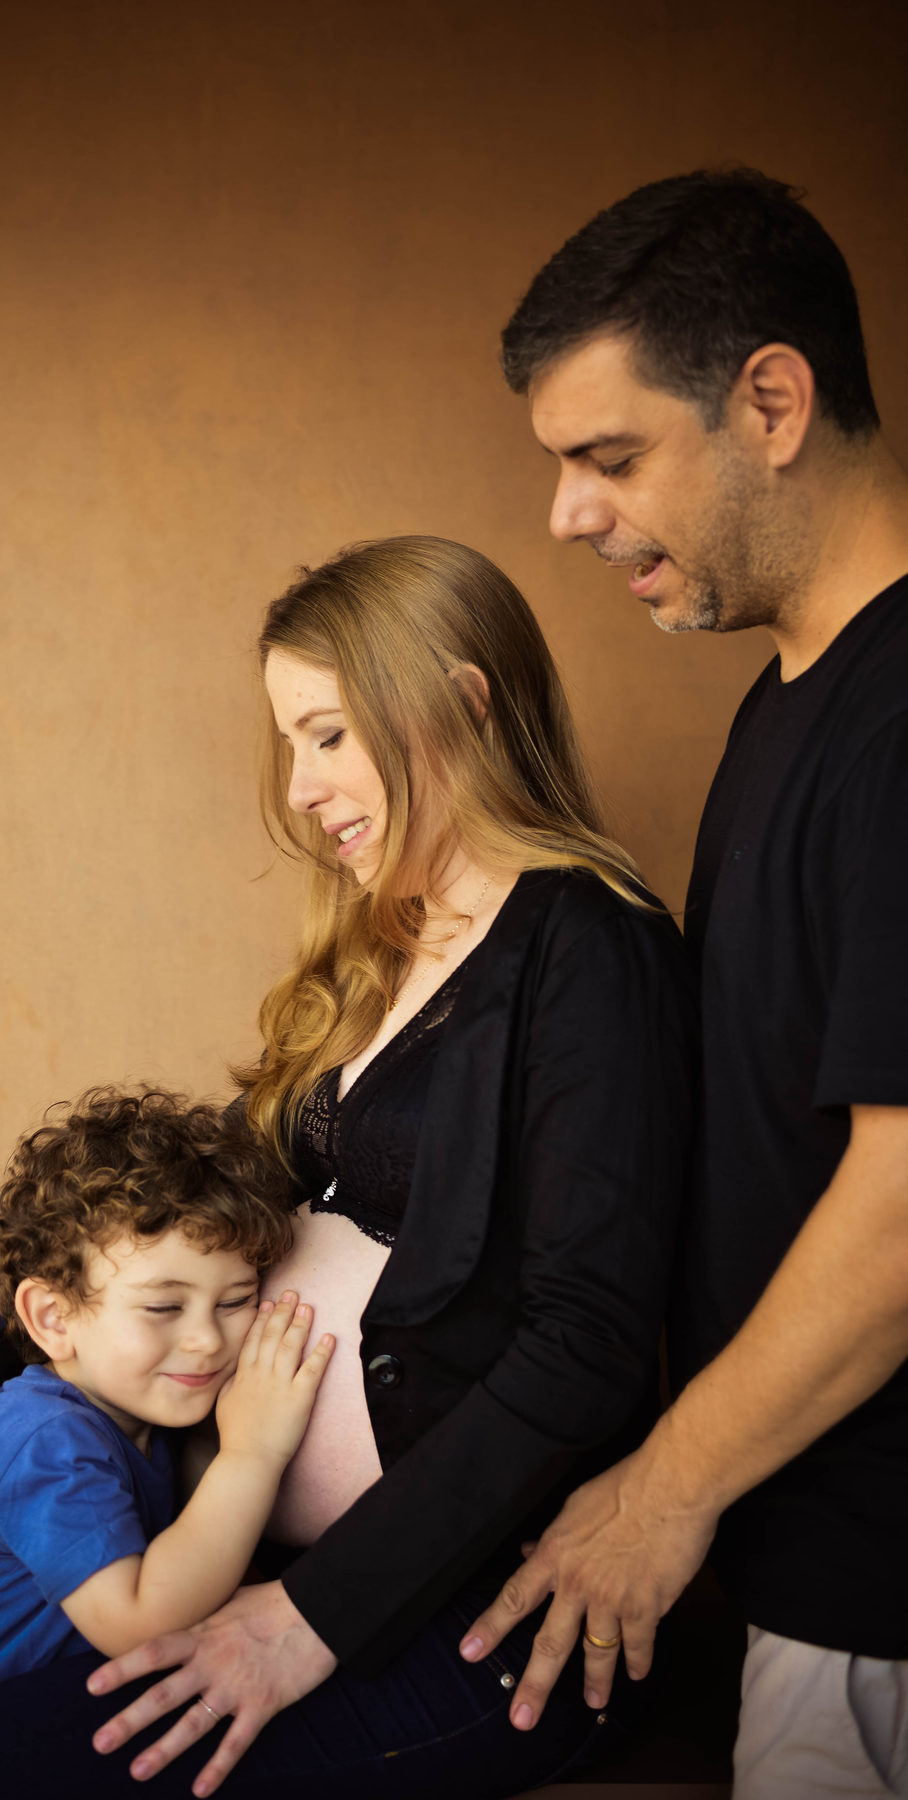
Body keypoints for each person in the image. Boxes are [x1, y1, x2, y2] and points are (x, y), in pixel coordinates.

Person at [0, 535, 697, 1800]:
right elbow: (151, 1202)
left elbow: (588, 1346)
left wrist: (306, 1620)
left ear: (461, 705)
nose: (299, 789)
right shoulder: (378, 951)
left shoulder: (591, 948)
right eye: (290, 743)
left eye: (329, 735)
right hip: (267, 1568)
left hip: (472, 1610)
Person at [460, 169, 908, 1798]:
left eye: (609, 456)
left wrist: (660, 1495)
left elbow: (907, 1202)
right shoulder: (793, 695)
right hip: (813, 1574)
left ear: (771, 403)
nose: (569, 516)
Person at [0, 1085, 332, 1799]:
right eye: (164, 1306)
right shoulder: (42, 1437)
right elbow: (138, 1620)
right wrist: (253, 1452)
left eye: (235, 1301)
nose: (207, 1338)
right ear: (52, 1318)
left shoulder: (141, 1420)